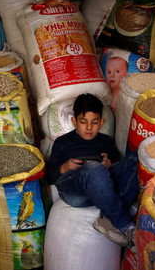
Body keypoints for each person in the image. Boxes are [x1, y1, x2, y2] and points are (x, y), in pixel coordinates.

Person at [47, 93, 139, 246]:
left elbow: (121, 172)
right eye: (83, 122)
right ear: (74, 121)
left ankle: (106, 219)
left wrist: (110, 164)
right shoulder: (62, 142)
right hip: (75, 190)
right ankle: (124, 225)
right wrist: (64, 167)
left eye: (95, 122)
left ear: (101, 122)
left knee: (139, 157)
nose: (89, 127)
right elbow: (49, 177)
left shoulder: (106, 141)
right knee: (94, 169)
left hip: (103, 188)